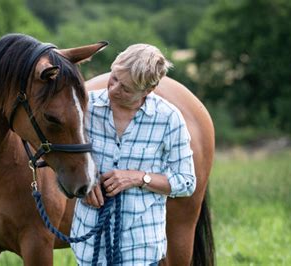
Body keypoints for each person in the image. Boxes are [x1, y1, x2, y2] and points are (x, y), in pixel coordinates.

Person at [70, 44, 197, 265]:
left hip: (140, 242)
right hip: (90, 239)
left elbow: (186, 182)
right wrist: (84, 186)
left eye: (126, 88)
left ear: (149, 89)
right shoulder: (86, 107)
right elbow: (60, 160)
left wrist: (138, 178)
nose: (113, 90)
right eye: (114, 78)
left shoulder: (169, 119)